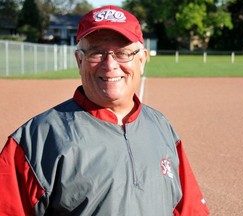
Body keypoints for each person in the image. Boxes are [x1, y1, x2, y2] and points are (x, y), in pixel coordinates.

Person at [0, 5, 209, 216]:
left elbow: (189, 209)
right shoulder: (36, 139)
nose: (110, 65)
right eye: (96, 52)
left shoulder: (162, 127)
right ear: (79, 60)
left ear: (142, 59)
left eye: (123, 53)